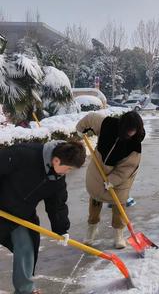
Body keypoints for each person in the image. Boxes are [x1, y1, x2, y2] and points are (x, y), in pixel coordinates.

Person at [0, 140, 86, 294]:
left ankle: (24, 290)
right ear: (56, 160)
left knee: (26, 247)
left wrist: (62, 230)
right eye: (67, 169)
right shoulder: (24, 153)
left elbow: (57, 205)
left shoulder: (57, 180)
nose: (66, 173)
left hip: (20, 216)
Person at [76, 110, 145, 249]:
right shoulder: (108, 124)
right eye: (129, 129)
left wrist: (112, 180)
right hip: (99, 166)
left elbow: (127, 168)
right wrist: (80, 128)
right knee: (95, 197)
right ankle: (92, 228)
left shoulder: (136, 144)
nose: (131, 133)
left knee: (119, 203)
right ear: (122, 125)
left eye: (134, 130)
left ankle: (118, 233)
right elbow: (91, 117)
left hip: (121, 177)